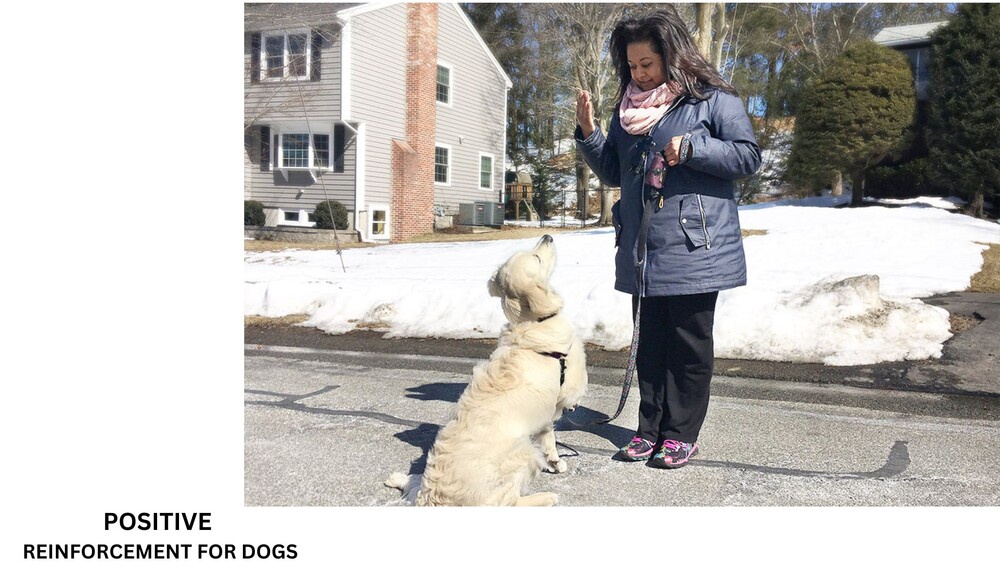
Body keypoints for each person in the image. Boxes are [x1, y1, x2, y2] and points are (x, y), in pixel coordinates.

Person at [575, 7, 760, 469]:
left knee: (688, 345)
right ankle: (649, 429)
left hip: (697, 246)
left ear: (672, 57)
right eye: (632, 66)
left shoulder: (713, 100)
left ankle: (680, 434)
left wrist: (694, 148)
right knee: (649, 344)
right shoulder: (628, 110)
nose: (638, 74)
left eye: (647, 65)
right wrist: (590, 133)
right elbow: (617, 172)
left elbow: (747, 157)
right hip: (643, 247)